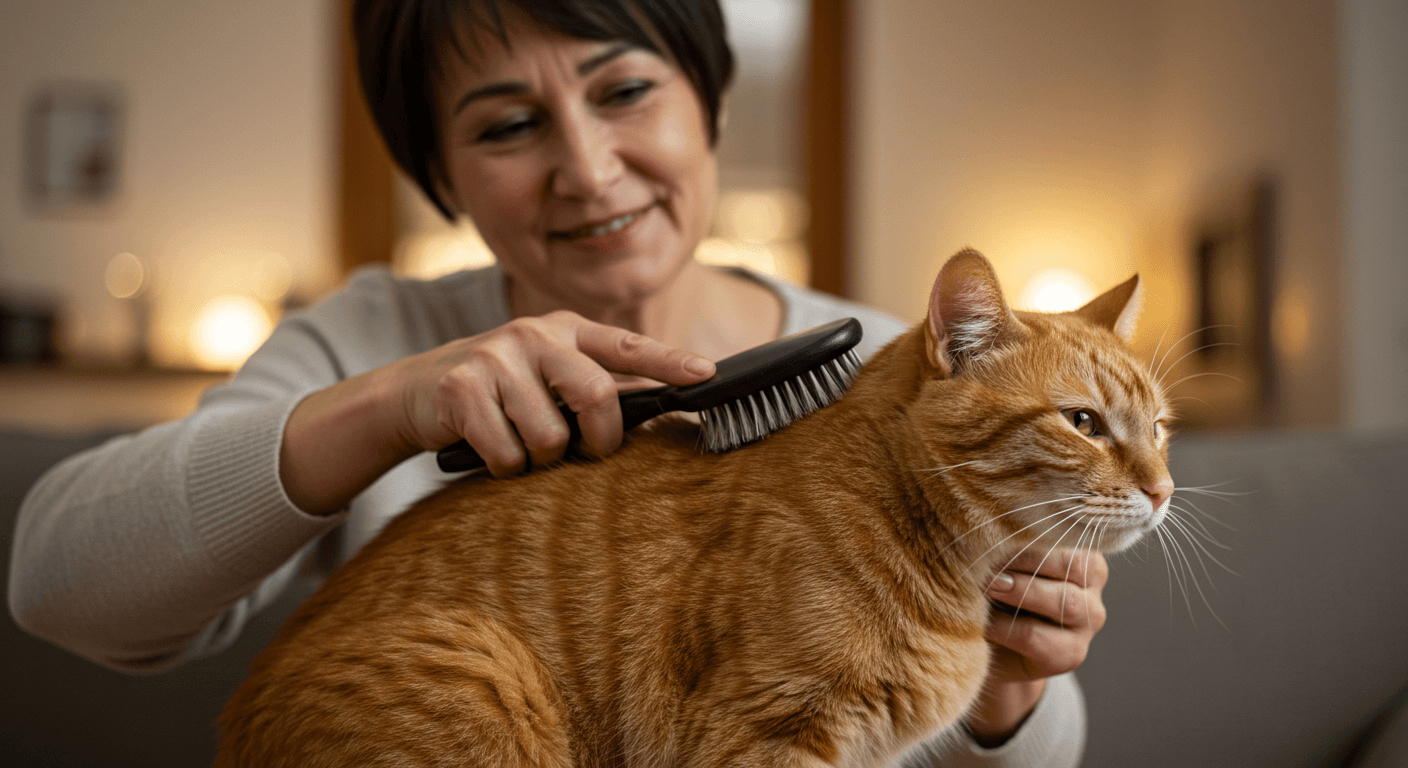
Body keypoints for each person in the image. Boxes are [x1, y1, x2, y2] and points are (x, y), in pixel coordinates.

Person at [8, 1, 1107, 764]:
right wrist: (387, 405)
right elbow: (55, 579)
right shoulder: (378, 332)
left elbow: (972, 739)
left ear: (710, 102)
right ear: (442, 177)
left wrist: (1010, 688)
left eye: (624, 89)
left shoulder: (899, 365)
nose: (585, 167)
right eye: (508, 124)